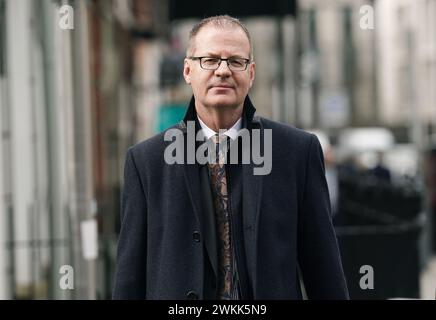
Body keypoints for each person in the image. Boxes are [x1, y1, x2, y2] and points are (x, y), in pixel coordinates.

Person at [113, 15, 349, 300]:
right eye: (209, 60)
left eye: (236, 61)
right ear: (188, 71)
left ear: (251, 73)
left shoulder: (297, 153)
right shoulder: (147, 163)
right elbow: (129, 281)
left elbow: (324, 272)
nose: (223, 71)